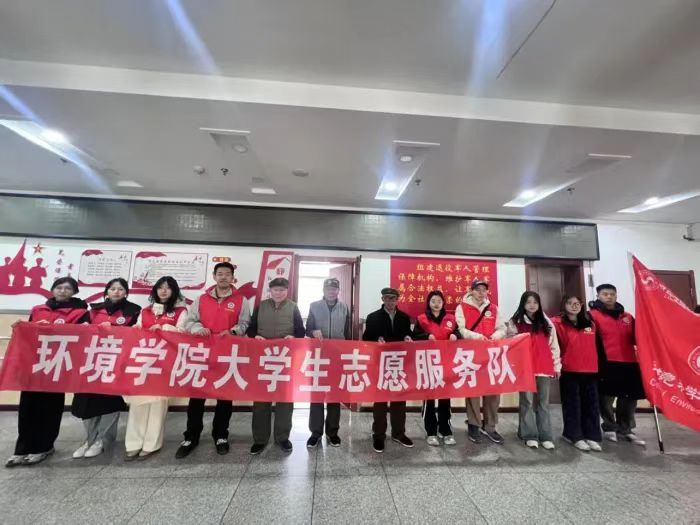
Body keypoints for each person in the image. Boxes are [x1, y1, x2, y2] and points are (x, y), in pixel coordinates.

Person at [5, 277, 89, 468]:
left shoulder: (80, 313)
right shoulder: (38, 310)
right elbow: (27, 336)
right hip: (35, 364)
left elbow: (83, 336)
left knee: (50, 408)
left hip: (58, 365)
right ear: (52, 289)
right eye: (59, 287)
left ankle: (44, 446)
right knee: (28, 408)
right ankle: (21, 449)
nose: (62, 291)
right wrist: (22, 328)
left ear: (74, 292)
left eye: (67, 288)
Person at [176, 262, 250, 458]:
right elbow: (189, 322)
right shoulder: (201, 299)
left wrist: (233, 331)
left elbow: (245, 323)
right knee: (196, 397)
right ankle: (191, 437)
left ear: (233, 277)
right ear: (214, 276)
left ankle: (221, 436)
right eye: (220, 273)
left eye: (227, 274)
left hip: (227, 354)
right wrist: (198, 328)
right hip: (202, 354)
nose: (223, 277)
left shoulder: (241, 300)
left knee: (224, 397)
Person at [72, 278, 140, 459]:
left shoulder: (133, 311)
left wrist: (114, 329)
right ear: (107, 291)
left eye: (120, 289)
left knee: (109, 400)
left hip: (116, 361)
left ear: (126, 292)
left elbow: (136, 334)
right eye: (113, 288)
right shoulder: (93, 310)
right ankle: (89, 439)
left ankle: (103, 439)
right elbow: (80, 332)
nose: (116, 292)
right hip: (91, 360)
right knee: (86, 401)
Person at [125, 276, 187, 461]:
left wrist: (165, 327)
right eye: (160, 287)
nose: (164, 291)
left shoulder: (180, 311)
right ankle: (133, 444)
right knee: (137, 404)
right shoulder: (145, 311)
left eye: (168, 288)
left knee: (157, 405)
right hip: (142, 362)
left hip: (164, 363)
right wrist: (136, 328)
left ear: (174, 291)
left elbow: (184, 334)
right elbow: (136, 329)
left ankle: (151, 444)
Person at [247, 277, 305, 455]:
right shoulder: (261, 306)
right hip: (263, 358)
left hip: (285, 359)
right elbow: (251, 329)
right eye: (275, 290)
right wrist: (255, 336)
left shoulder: (293, 307)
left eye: (282, 290)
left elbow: (301, 331)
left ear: (287, 291)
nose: (278, 293)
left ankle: (282, 438)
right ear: (270, 291)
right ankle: (260, 439)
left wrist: (293, 337)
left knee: (285, 400)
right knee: (261, 400)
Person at [589, 284, 646, 446]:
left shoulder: (627, 317)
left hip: (629, 361)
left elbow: (638, 338)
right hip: (606, 361)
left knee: (629, 397)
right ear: (598, 296)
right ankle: (609, 426)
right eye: (605, 294)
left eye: (612, 294)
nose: (609, 297)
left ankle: (625, 428)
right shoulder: (592, 315)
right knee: (606, 397)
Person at [455, 280, 507, 444]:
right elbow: (460, 329)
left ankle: (490, 426)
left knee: (493, 391)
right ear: (471, 291)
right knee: (473, 391)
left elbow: (502, 328)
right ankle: (474, 425)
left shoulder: (493, 308)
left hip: (491, 355)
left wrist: (495, 336)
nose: (481, 293)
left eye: (484, 290)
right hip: (471, 355)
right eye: (478, 289)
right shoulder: (462, 307)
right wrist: (477, 337)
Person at [362, 287, 414, 453]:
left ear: (397, 300)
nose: (390, 301)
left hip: (399, 364)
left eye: (393, 298)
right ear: (382, 299)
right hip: (380, 364)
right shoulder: (373, 317)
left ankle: (399, 433)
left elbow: (408, 335)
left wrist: (408, 337)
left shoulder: (404, 317)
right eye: (387, 298)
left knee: (399, 400)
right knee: (380, 401)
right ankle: (378, 435)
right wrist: (376, 339)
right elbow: (365, 339)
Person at [507, 291, 561, 450]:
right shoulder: (515, 322)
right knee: (527, 402)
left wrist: (556, 366)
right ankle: (529, 435)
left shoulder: (546, 323)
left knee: (543, 403)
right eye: (528, 302)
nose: (532, 305)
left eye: (535, 302)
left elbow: (554, 345)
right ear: (523, 304)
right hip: (525, 368)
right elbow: (509, 343)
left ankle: (545, 436)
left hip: (544, 367)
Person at [552, 296, 602, 452]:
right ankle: (574, 435)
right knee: (572, 405)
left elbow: (597, 346)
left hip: (590, 369)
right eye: (570, 303)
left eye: (577, 304)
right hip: (569, 369)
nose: (574, 306)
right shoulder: (556, 323)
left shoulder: (590, 324)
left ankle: (592, 436)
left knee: (591, 405)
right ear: (564, 305)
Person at [305, 277, 350, 449]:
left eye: (334, 289)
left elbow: (347, 333)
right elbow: (307, 329)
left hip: (337, 357)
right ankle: (315, 433)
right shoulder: (314, 306)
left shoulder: (344, 307)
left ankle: (333, 433)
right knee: (317, 395)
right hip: (318, 357)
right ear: (323, 290)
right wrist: (313, 331)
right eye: (328, 289)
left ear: (338, 291)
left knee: (334, 396)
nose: (331, 292)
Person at [412, 290, 459, 446]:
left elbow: (459, 333)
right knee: (430, 399)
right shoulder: (422, 319)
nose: (436, 304)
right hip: (429, 363)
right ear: (428, 303)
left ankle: (445, 430)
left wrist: (455, 335)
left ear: (443, 303)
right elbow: (414, 336)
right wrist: (426, 337)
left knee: (445, 398)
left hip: (446, 363)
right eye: (433, 301)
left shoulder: (451, 319)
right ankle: (431, 431)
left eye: (439, 301)